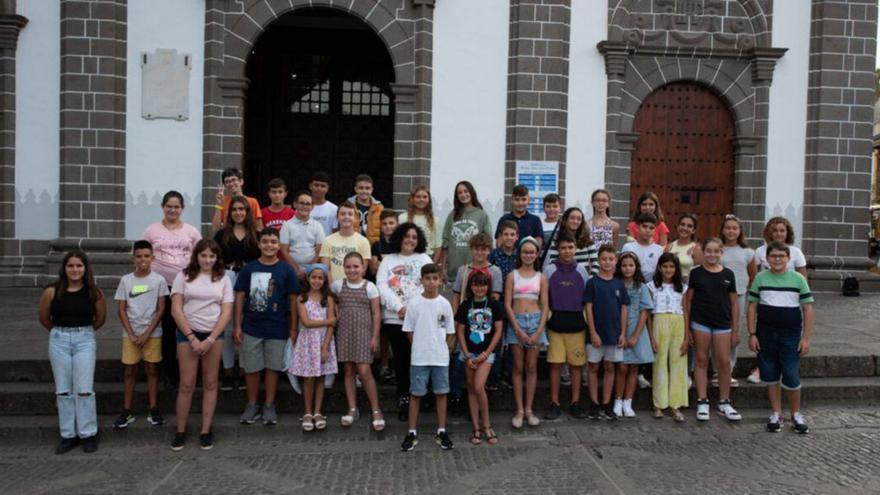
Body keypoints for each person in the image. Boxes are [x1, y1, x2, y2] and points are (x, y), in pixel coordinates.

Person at [38, 251, 107, 455]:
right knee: (63, 390)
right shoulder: (52, 291)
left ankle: (88, 433)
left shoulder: (95, 293)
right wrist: (62, 331)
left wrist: (82, 333)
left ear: (85, 268)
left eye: (79, 266)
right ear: (64, 268)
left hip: (84, 339)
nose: (75, 270)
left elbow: (100, 319)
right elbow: (43, 317)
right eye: (71, 266)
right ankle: (68, 434)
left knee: (84, 388)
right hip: (59, 340)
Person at [169, 239, 233, 451]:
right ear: (196, 256)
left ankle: (206, 429)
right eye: (203, 255)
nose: (207, 260)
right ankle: (180, 430)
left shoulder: (223, 278)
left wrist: (210, 339)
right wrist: (191, 336)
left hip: (213, 335)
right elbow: (176, 309)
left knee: (210, 382)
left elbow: (226, 311)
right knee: (186, 384)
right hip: (188, 334)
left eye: (212, 256)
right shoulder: (183, 276)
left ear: (217, 258)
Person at [234, 228, 300, 426]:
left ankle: (269, 404)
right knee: (252, 368)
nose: (269, 245)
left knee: (273, 367)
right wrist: (237, 325)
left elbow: (293, 299)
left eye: (273, 241)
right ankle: (252, 404)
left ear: (278, 245)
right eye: (265, 241)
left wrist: (293, 327)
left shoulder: (286, 269)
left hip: (277, 327)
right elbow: (239, 296)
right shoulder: (249, 269)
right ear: (259, 244)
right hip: (251, 326)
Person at [748, 242, 814, 434]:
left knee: (791, 374)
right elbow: (752, 306)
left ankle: (796, 414)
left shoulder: (798, 279)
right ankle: (776, 412)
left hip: (790, 333)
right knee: (769, 373)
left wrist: (806, 338)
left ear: (788, 258)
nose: (777, 259)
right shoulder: (760, 278)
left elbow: (808, 308)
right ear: (767, 259)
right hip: (765, 333)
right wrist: (752, 333)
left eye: (781, 256)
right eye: (773, 256)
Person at [141, 190, 201, 391]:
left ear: (182, 208)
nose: (172, 210)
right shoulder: (151, 230)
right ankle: (169, 373)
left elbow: (200, 257)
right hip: (162, 288)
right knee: (167, 330)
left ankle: (192, 372)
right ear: (162, 207)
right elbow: (143, 256)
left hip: (186, 288)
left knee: (189, 328)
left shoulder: (191, 231)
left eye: (176, 206)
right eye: (169, 206)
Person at [376, 223, 434, 421]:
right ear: (399, 237)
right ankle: (404, 399)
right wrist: (399, 307)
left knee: (420, 359)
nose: (410, 240)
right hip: (395, 318)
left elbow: (429, 284)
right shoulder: (388, 260)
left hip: (420, 319)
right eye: (407, 236)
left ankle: (422, 394)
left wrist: (414, 310)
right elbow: (382, 286)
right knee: (401, 361)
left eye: (414, 237)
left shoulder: (424, 259)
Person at [112, 240, 169, 430]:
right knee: (130, 370)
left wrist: (146, 333)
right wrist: (131, 333)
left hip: (152, 333)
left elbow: (161, 309)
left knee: (152, 369)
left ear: (152, 258)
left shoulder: (159, 280)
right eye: (139, 256)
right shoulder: (126, 280)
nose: (143, 259)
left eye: (146, 256)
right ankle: (126, 410)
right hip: (131, 334)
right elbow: (121, 309)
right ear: (133, 258)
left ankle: (153, 408)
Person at [400, 264, 456, 452]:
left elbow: (449, 332)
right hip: (419, 358)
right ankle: (412, 431)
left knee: (441, 393)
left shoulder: (445, 304)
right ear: (422, 280)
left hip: (440, 357)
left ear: (440, 280)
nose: (431, 282)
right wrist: (420, 346)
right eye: (428, 278)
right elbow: (409, 331)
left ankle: (441, 430)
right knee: (416, 394)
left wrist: (441, 347)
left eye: (435, 278)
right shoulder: (414, 304)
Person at [686, 238, 741, 422]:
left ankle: (724, 401)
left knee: (724, 362)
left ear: (721, 253)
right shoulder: (696, 274)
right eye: (708, 251)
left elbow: (734, 303)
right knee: (701, 359)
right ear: (703, 252)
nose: (712, 254)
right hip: (700, 321)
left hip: (722, 323)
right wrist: (687, 329)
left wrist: (735, 330)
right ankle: (702, 400)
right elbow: (688, 301)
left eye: (716, 251)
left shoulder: (728, 274)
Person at [748, 216, 807, 385]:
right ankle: (761, 368)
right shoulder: (760, 251)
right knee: (764, 337)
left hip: (789, 301)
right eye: (774, 230)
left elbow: (803, 277)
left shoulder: (796, 252)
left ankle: (787, 370)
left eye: (782, 230)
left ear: (787, 232)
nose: (778, 234)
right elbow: (755, 275)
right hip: (767, 298)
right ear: (769, 232)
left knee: (787, 343)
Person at [332, 252, 384, 431]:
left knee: (364, 370)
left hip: (363, 333)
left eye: (356, 266)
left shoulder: (370, 287)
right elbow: (330, 301)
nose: (352, 270)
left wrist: (375, 336)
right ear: (343, 268)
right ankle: (352, 408)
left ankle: (376, 409)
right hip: (345, 332)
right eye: (348, 267)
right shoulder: (338, 285)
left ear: (363, 268)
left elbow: (377, 313)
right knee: (348, 370)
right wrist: (336, 310)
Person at [213, 195, 260, 391]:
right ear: (229, 212)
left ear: (247, 212)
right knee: (227, 324)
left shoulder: (255, 234)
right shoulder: (222, 235)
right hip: (227, 277)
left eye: (242, 209)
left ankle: (243, 370)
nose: (238, 213)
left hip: (250, 278)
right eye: (235, 209)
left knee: (245, 324)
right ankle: (228, 371)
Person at [542, 234, 590, 420]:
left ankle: (575, 402)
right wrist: (548, 317)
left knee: (576, 366)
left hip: (577, 325)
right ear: (558, 249)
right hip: (555, 325)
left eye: (570, 247)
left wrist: (585, 319)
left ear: (576, 248)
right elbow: (544, 297)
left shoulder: (582, 270)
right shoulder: (550, 270)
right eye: (563, 248)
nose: (567, 251)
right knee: (555, 365)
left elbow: (587, 298)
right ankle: (554, 403)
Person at [455, 270, 504, 445]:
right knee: (471, 388)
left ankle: (487, 424)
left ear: (488, 286)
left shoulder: (494, 305)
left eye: (483, 284)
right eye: (476, 284)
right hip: (469, 353)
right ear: (471, 287)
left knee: (478, 386)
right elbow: (460, 330)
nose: (479, 288)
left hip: (486, 353)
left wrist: (487, 353)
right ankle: (476, 427)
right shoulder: (465, 305)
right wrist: (467, 354)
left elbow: (498, 331)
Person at [504, 237, 549, 429]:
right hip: (517, 322)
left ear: (537, 254)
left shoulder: (541, 277)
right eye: (525, 252)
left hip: (535, 322)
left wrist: (539, 329)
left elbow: (545, 305)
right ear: (519, 253)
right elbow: (507, 303)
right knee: (518, 367)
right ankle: (519, 410)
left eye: (532, 252)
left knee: (531, 367)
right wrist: (517, 329)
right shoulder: (512, 276)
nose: (528, 255)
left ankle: (529, 409)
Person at [583, 245, 629, 420]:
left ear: (615, 261)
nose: (607, 262)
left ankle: (606, 402)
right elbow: (588, 308)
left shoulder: (619, 284)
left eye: (611, 259)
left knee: (610, 367)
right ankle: (594, 402)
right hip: (596, 334)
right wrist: (593, 332)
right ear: (598, 261)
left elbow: (624, 309)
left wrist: (623, 333)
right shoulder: (592, 283)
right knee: (593, 366)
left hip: (614, 333)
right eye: (604, 259)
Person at [290, 265, 337, 432]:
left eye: (320, 278)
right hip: (308, 342)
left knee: (321, 378)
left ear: (324, 280)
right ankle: (308, 412)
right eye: (313, 277)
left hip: (324, 341)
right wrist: (327, 322)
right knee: (309, 378)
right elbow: (306, 322)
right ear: (308, 278)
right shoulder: (301, 298)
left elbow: (333, 325)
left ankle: (318, 412)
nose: (316, 281)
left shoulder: (328, 299)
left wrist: (325, 347)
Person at [648, 253, 688, 422]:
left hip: (678, 323)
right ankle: (659, 404)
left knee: (678, 363)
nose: (668, 270)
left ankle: (675, 404)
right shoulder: (651, 286)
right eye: (665, 266)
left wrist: (687, 337)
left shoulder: (682, 288)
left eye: (671, 267)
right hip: (659, 322)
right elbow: (648, 315)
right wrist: (651, 337)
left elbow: (686, 311)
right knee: (659, 364)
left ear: (676, 269)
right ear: (659, 267)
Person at [615, 252, 654, 418]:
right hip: (619, 330)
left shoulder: (641, 287)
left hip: (637, 330)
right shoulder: (616, 285)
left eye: (631, 265)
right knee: (622, 367)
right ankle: (617, 400)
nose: (627, 268)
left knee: (633, 368)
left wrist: (636, 336)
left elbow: (644, 312)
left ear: (636, 267)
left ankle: (628, 401)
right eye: (624, 265)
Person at [719, 214, 756, 387]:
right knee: (718, 332)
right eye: (728, 228)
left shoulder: (748, 252)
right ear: (723, 230)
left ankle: (729, 369)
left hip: (739, 295)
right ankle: (716, 370)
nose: (731, 231)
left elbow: (752, 274)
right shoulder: (717, 249)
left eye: (734, 228)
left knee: (733, 331)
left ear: (740, 231)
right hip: (717, 295)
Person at [438, 180, 494, 281]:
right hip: (454, 271)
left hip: (475, 270)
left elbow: (488, 242)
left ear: (471, 192)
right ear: (457, 196)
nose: (463, 194)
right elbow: (445, 243)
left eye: (466, 191)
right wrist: (443, 269)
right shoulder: (452, 215)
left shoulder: (481, 215)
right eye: (460, 192)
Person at [319, 201, 372, 283]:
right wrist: (332, 288)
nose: (346, 217)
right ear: (337, 217)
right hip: (333, 287)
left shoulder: (364, 241)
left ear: (355, 218)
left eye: (350, 214)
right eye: (343, 214)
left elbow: (362, 271)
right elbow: (326, 269)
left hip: (353, 288)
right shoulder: (328, 240)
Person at [279, 190, 326, 279]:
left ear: (312, 207)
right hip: (292, 270)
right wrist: (296, 269)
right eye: (301, 203)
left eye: (308, 204)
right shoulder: (287, 225)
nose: (304, 206)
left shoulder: (317, 225)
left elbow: (320, 251)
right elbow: (284, 251)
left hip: (313, 271)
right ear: (295, 204)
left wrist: (309, 270)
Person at [543, 207, 599, 276]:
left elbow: (596, 263)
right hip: (562, 280)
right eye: (572, 218)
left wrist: (589, 279)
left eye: (579, 219)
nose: (575, 221)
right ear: (565, 220)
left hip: (584, 280)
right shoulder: (557, 239)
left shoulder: (587, 239)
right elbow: (553, 262)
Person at [211, 167, 263, 232]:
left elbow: (259, 228)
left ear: (241, 181)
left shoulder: (252, 202)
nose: (231, 183)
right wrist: (219, 205)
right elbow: (215, 228)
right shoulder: (223, 201)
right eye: (227, 181)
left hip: (248, 239)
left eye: (233, 180)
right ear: (225, 186)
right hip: (229, 238)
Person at [399, 184, 442, 259]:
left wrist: (433, 265)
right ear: (412, 199)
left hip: (428, 257)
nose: (421, 199)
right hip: (407, 256)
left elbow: (438, 246)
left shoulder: (435, 220)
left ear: (429, 200)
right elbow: (399, 241)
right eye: (418, 197)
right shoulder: (402, 218)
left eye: (425, 197)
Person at [622, 213, 664, 281]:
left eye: (651, 228)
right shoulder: (628, 247)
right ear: (637, 227)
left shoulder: (659, 250)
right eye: (644, 226)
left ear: (655, 230)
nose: (647, 230)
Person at [665, 213, 703, 282]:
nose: (685, 228)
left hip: (688, 286)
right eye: (682, 224)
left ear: (693, 230)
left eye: (689, 226)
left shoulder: (696, 249)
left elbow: (699, 274)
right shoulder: (669, 247)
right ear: (678, 226)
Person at [348, 174, 384, 243]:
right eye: (361, 188)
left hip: (372, 247)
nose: (364, 191)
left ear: (372, 189)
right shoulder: (348, 206)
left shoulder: (379, 208)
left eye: (367, 188)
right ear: (355, 189)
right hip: (352, 245)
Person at [369, 210, 398, 278]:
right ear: (381, 226)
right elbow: (373, 270)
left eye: (391, 223)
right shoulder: (376, 246)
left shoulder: (403, 245)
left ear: (397, 224)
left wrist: (381, 265)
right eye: (384, 224)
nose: (388, 226)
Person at [308, 171, 338, 236]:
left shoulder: (334, 209)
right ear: (310, 186)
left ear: (327, 189)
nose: (319, 188)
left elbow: (335, 233)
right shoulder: (303, 207)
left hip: (327, 245)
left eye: (323, 186)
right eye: (316, 185)